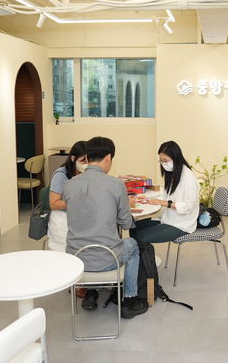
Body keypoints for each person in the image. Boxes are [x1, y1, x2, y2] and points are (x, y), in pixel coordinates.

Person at [63, 136, 148, 319]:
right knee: (132, 245)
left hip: (76, 258)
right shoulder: (116, 184)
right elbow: (125, 223)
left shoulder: (69, 184)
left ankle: (91, 293)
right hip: (107, 259)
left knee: (92, 241)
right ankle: (129, 299)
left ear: (87, 157)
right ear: (108, 158)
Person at [131, 141, 200, 243]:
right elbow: (166, 197)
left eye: (165, 161)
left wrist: (165, 203)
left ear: (176, 158)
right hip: (167, 218)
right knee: (133, 227)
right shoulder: (172, 174)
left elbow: (188, 206)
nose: (163, 164)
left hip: (181, 224)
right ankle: (141, 253)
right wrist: (149, 199)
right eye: (161, 161)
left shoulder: (188, 177)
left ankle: (144, 253)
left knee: (142, 236)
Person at [47, 140, 88, 253]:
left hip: (79, 219)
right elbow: (54, 204)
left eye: (88, 160)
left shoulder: (85, 174)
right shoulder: (61, 175)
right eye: (83, 160)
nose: (86, 164)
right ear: (73, 158)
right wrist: (77, 202)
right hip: (62, 220)